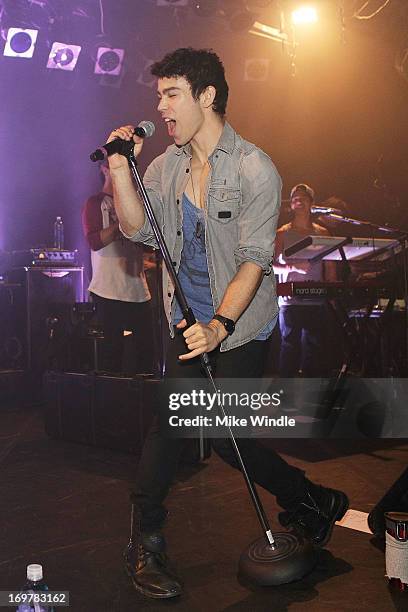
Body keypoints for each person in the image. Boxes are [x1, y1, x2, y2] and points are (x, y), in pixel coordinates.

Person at [107, 48, 349, 599]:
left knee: (225, 438)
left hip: (239, 325)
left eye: (171, 94)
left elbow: (255, 257)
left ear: (206, 96)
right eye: (158, 96)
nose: (160, 107)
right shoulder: (164, 167)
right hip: (184, 321)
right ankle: (146, 540)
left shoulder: (254, 168)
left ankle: (310, 499)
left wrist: (219, 324)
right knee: (172, 425)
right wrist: (120, 168)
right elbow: (136, 229)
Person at [82, 160, 152, 374]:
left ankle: (144, 402)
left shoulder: (137, 202)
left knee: (146, 353)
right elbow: (94, 241)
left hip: (138, 290)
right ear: (104, 170)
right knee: (112, 353)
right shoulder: (96, 202)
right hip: (108, 290)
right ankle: (112, 403)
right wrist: (123, 222)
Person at [274, 183, 337, 377]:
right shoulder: (282, 233)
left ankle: (309, 394)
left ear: (311, 203)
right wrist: (294, 267)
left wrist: (332, 291)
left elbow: (330, 265)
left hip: (315, 296)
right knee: (290, 343)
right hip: (290, 298)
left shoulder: (323, 233)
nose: (298, 201)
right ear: (291, 205)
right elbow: (271, 265)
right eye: (294, 198)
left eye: (303, 198)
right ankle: (285, 395)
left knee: (314, 345)